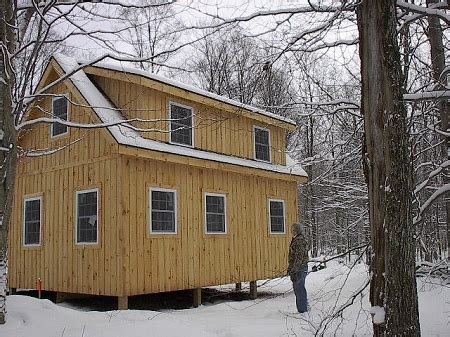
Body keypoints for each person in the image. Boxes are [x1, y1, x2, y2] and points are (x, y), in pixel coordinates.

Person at [287, 223, 309, 313]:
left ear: (296, 230)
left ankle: (302, 310)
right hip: (296, 268)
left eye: (293, 230)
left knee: (299, 288)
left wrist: (294, 269)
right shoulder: (295, 239)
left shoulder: (299, 241)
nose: (291, 231)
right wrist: (290, 268)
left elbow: (299, 257)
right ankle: (302, 308)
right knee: (297, 288)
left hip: (300, 268)